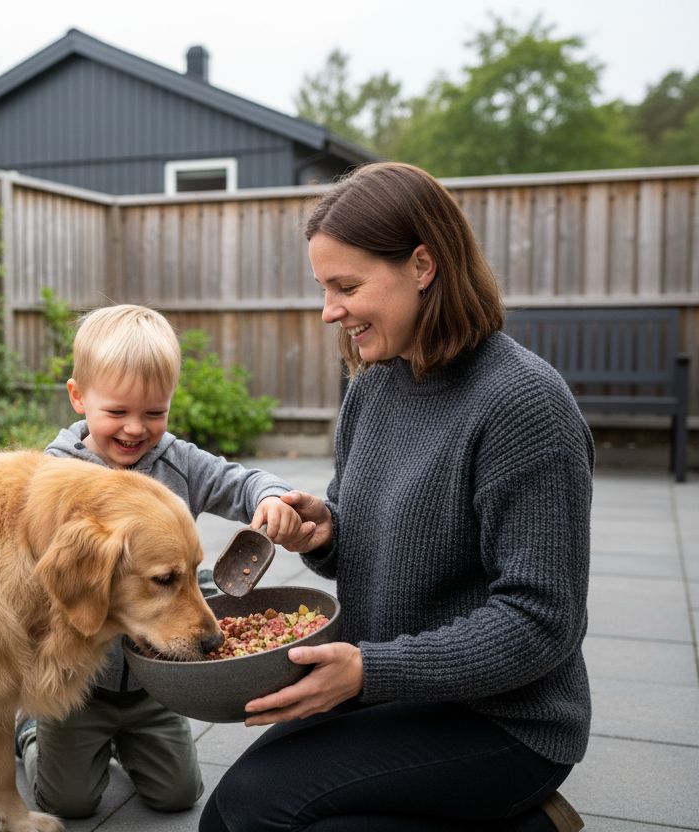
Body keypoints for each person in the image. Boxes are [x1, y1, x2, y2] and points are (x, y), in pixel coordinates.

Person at [198, 161, 592, 832]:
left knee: (259, 816)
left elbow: (540, 621)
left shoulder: (524, 406)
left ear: (422, 265)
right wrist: (328, 532)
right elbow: (385, 536)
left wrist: (367, 672)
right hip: (392, 688)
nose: (329, 311)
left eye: (346, 286)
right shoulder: (373, 387)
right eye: (324, 288)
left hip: (502, 721)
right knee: (227, 821)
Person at [15, 303, 305, 818]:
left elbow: (240, 481)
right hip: (77, 688)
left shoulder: (178, 462)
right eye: (117, 412)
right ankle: (32, 733)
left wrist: (272, 497)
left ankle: (131, 743)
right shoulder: (56, 478)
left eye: (154, 412)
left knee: (179, 795)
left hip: (157, 685)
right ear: (78, 397)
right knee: (70, 803)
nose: (135, 429)